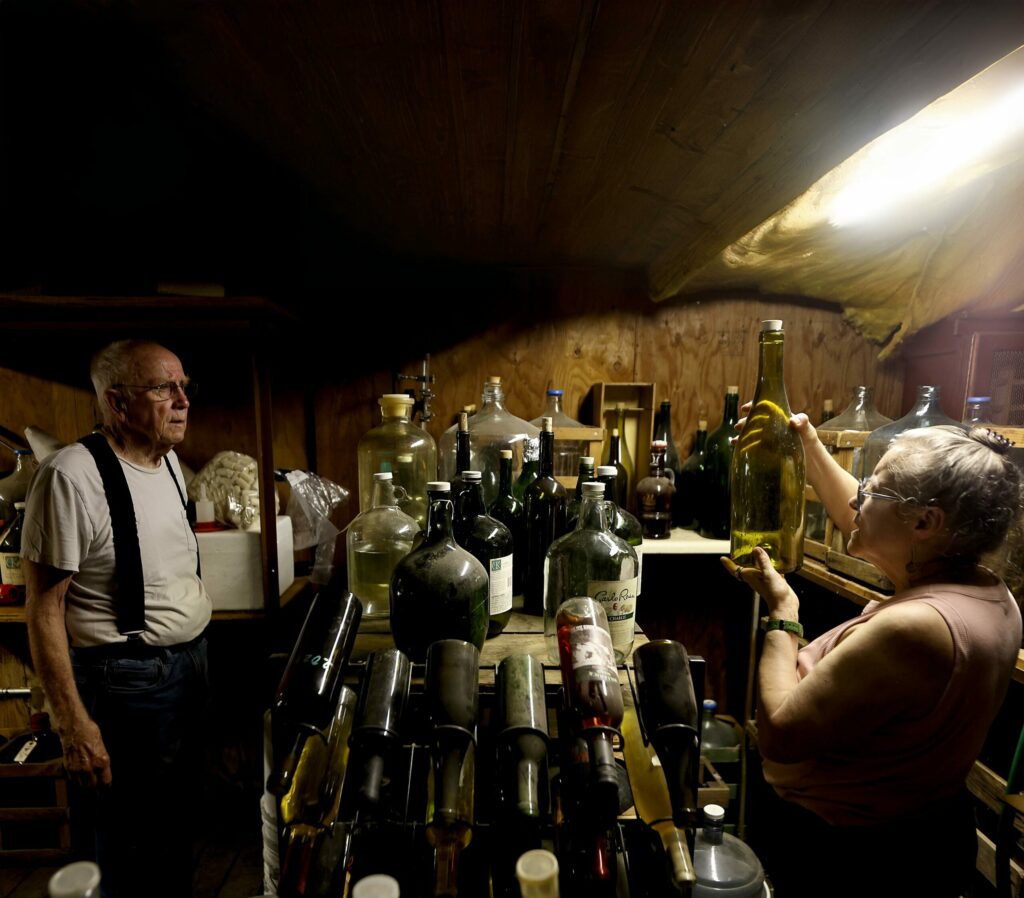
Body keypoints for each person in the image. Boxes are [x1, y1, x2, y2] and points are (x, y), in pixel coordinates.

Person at [722, 417, 1022, 898]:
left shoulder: (916, 628)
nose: (857, 499)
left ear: (925, 522)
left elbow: (780, 731)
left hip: (859, 859)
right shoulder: (985, 589)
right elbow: (866, 517)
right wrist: (810, 444)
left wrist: (784, 614)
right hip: (922, 833)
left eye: (872, 489)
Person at [22, 339, 210, 898]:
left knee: (175, 831)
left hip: (190, 667)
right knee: (129, 844)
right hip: (127, 682)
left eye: (184, 386)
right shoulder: (70, 477)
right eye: (163, 388)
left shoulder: (169, 460)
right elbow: (44, 607)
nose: (181, 401)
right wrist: (73, 723)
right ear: (115, 402)